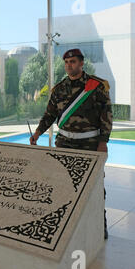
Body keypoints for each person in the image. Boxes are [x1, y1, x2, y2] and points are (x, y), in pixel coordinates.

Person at [29, 48, 113, 239]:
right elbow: (49, 114)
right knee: (63, 184)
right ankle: (65, 224)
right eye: (66, 62)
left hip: (90, 143)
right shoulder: (59, 89)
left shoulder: (96, 85)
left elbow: (106, 115)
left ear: (81, 63)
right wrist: (38, 133)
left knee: (96, 185)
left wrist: (103, 141)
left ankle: (101, 224)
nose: (69, 65)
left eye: (73, 62)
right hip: (64, 143)